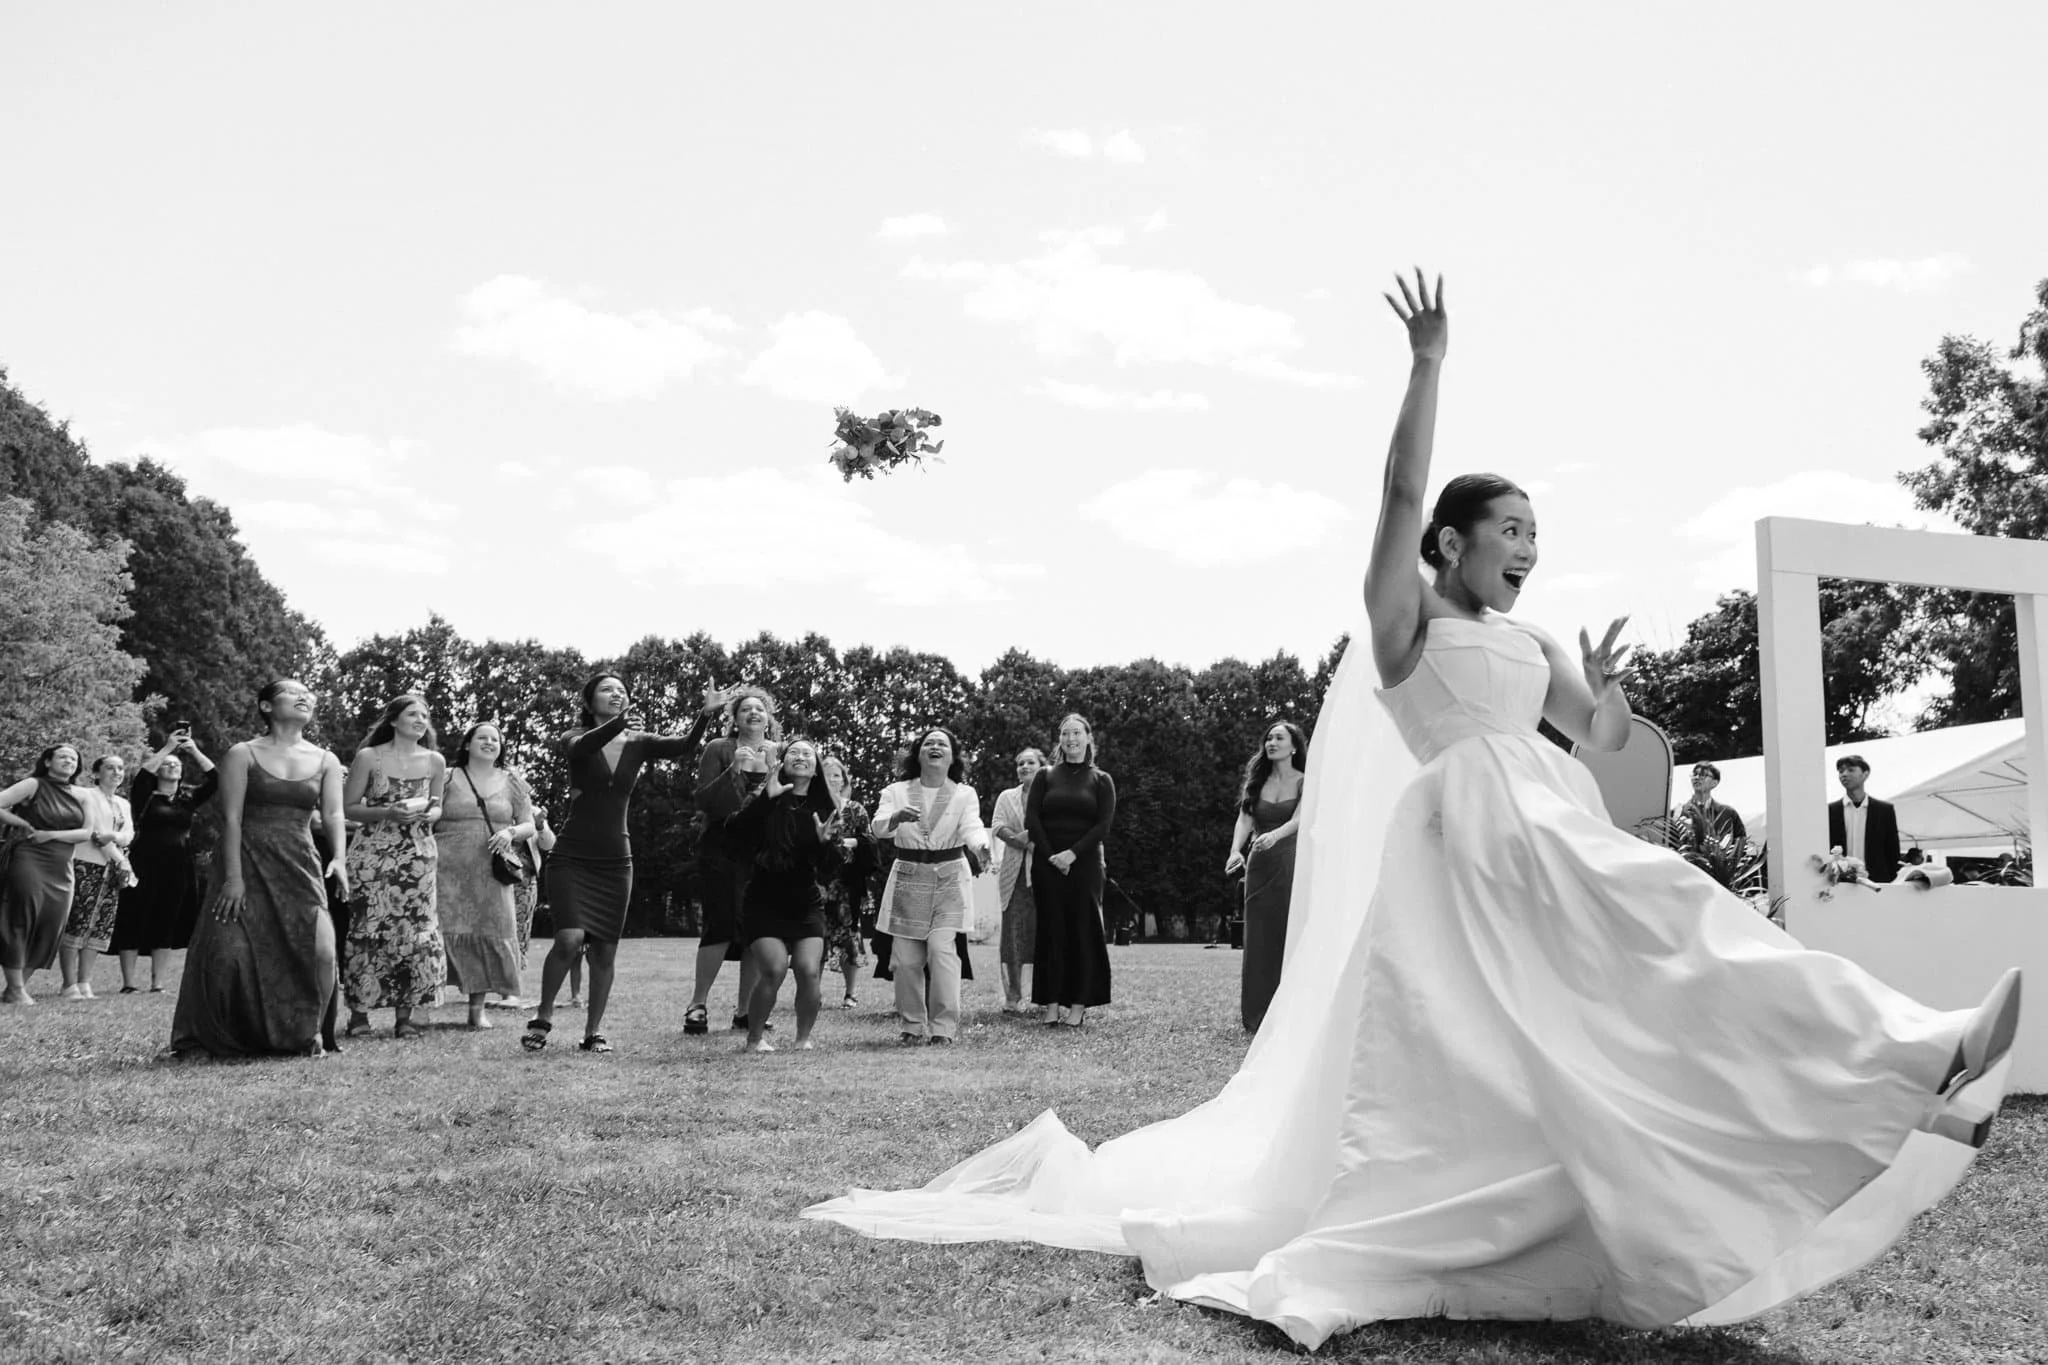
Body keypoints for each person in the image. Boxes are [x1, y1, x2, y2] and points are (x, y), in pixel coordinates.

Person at [804, 270, 2023, 1351]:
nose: (1527, 548)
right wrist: (1426, 365)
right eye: (1508, 529)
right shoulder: (1404, 622)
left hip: (1540, 817)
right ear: (1450, 540)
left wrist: (1604, 696)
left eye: (1536, 534)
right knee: (1668, 927)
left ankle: (1899, 1060)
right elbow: (1393, 493)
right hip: (1463, 830)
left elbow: (1594, 742)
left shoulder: (1532, 633)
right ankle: (1912, 1046)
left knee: (1648, 959)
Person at [521, 675, 729, 1055]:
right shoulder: (573, 736)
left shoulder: (639, 741)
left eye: (622, 691)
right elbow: (584, 746)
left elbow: (683, 746)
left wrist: (705, 714)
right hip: (571, 856)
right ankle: (543, 1014)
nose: (616, 694)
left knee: (604, 951)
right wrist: (618, 723)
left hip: (616, 860)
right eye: (607, 690)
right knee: (569, 939)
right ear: (589, 700)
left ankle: (593, 1032)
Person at [171, 680, 347, 1057]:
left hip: (300, 862)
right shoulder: (242, 753)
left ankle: (311, 1033)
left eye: (309, 695)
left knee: (323, 951)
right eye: (293, 692)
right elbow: (231, 819)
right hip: (244, 858)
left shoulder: (325, 759)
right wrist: (233, 879)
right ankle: (207, 1038)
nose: (305, 697)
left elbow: (333, 813)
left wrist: (340, 858)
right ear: (266, 707)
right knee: (226, 952)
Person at [871, 728, 990, 1046]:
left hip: (950, 876)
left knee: (941, 950)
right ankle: (911, 1024)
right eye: (928, 743)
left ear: (953, 756)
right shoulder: (895, 791)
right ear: (918, 754)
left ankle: (943, 1028)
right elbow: (879, 827)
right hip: (909, 876)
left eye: (942, 744)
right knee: (907, 959)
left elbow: (972, 826)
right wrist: (896, 817)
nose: (935, 747)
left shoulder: (964, 793)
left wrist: (980, 846)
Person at [341, 696, 448, 1040]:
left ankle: (406, 1017)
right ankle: (359, 1016)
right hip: (372, 855)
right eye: (412, 714)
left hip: (418, 855)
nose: (421, 720)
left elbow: (438, 809)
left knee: (413, 933)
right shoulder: (369, 757)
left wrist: (426, 814)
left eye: (425, 715)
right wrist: (388, 812)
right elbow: (349, 808)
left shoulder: (435, 761)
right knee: (367, 927)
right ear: (393, 720)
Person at [725, 738, 843, 1052]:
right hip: (763, 901)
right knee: (775, 968)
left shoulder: (827, 808)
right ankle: (754, 1040)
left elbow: (830, 869)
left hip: (805, 902)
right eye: (794, 752)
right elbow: (733, 832)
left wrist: (824, 843)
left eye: (808, 753)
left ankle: (803, 1039)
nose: (801, 757)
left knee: (807, 969)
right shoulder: (765, 796)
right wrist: (766, 799)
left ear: (816, 766)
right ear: (783, 761)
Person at [688, 688, 779, 1035]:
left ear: (769, 718)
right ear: (735, 718)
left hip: (763, 851)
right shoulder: (719, 749)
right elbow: (705, 801)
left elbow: (784, 805)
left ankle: (745, 1011)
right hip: (722, 847)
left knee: (757, 930)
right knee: (721, 923)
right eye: (746, 709)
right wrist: (735, 770)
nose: (754, 713)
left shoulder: (779, 753)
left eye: (760, 709)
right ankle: (697, 1005)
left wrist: (773, 768)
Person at [436, 721, 535, 1030]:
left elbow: (529, 824)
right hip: (446, 868)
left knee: (487, 930)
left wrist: (510, 831)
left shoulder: (512, 781)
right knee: (439, 930)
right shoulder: (447, 777)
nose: (490, 742)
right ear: (467, 744)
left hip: (491, 871)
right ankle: (422, 1006)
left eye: (495, 739)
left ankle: (476, 1010)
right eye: (482, 737)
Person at [113, 730, 219, 992]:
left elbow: (216, 779)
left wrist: (192, 750)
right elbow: (142, 776)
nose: (171, 765)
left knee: (167, 918)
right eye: (167, 764)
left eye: (176, 764)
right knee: (134, 915)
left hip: (178, 864)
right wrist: (167, 748)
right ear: (159, 770)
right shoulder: (146, 796)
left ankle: (157, 983)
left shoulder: (189, 797)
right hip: (144, 860)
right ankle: (128, 983)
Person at [1026, 714, 1115, 1029]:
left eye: (1076, 733)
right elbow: (1032, 820)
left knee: (1082, 933)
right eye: (1065, 733)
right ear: (1059, 740)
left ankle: (1078, 1005)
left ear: (1088, 738)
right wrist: (1053, 856)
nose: (1070, 738)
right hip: (1047, 866)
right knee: (1051, 933)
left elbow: (1103, 825)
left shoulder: (1101, 780)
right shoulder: (1044, 776)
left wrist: (1073, 854)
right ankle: (1051, 1005)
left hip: (1085, 865)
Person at [1224, 721, 1307, 1034]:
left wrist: (1277, 835)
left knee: (1288, 935)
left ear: (1294, 746)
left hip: (1291, 862)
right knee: (1259, 938)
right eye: (1269, 738)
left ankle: (1289, 1013)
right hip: (1260, 866)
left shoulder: (1304, 781)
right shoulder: (1256, 782)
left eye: (1279, 738)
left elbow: (1301, 817)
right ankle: (1257, 1014)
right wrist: (1235, 851)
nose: (1272, 742)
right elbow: (1244, 820)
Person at [0, 745, 94, 1005]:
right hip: (29, 858)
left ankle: (15, 988)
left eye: (74, 758)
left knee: (51, 924)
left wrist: (51, 834)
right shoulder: (33, 784)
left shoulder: (83, 795)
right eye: (63, 756)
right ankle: (17, 989)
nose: (69, 760)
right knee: (20, 919)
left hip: (61, 865)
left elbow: (86, 833)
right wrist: (21, 823)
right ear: (48, 761)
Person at [58, 753, 136, 999]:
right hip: (86, 864)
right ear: (97, 773)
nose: (116, 773)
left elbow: (128, 834)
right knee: (77, 922)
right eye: (110, 768)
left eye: (121, 768)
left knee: (100, 926)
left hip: (112, 869)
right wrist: (118, 855)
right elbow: (93, 833)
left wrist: (114, 840)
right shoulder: (86, 795)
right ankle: (69, 984)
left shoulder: (124, 803)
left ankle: (85, 982)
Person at [817, 754, 878, 1010]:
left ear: (843, 780)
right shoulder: (812, 807)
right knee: (815, 938)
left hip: (847, 883)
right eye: (827, 773)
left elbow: (871, 841)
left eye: (836, 774)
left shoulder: (855, 809)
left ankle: (850, 994)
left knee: (849, 937)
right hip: (818, 882)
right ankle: (813, 993)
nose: (832, 778)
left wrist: (848, 842)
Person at [989, 747, 1045, 1012]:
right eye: (1020, 763)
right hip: (1014, 877)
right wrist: (1021, 841)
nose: (1024, 766)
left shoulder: (1052, 794)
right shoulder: (1006, 797)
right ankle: (1013, 997)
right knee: (1013, 937)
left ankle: (1045, 995)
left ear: (1041, 766)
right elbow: (998, 826)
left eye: (1030, 762)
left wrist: (1038, 844)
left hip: (1045, 875)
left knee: (1045, 935)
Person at [496, 801, 555, 1012]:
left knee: (520, 933)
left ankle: (511, 989)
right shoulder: (495, 805)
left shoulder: (533, 811)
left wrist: (540, 825)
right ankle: (493, 987)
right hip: (497, 876)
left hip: (526, 881)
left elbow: (549, 844)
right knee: (498, 931)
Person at [1829, 755, 1902, 885]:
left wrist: (1891, 882)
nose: (1844, 774)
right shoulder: (1830, 811)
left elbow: (1892, 852)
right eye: (1841, 771)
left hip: (1877, 882)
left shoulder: (1884, 810)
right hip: (1840, 884)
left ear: (1865, 774)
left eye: (1850, 770)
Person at [1680, 762, 1748, 845]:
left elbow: (1741, 843)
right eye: (1695, 774)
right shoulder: (1680, 812)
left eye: (1703, 775)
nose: (1697, 778)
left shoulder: (1728, 813)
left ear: (1714, 783)